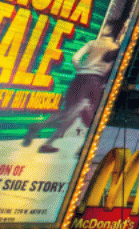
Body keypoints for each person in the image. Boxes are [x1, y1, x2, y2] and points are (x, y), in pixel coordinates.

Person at [23, 23, 122, 153]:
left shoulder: (92, 43)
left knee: (70, 112)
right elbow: (110, 69)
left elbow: (75, 58)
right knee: (85, 116)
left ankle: (42, 132)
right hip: (93, 82)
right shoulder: (115, 48)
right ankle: (46, 136)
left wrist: (82, 69)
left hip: (79, 78)